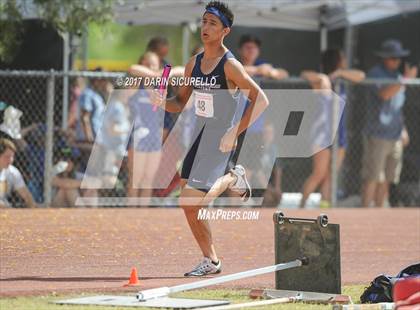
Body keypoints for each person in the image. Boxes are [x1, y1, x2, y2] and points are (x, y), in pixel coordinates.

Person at [152, 1, 269, 276]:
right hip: (199, 138)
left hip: (221, 140)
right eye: (204, 21)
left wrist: (234, 132)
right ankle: (212, 260)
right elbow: (180, 102)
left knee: (191, 201)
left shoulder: (231, 66)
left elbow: (261, 100)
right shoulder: (194, 64)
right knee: (189, 207)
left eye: (212, 23)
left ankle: (232, 177)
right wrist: (161, 100)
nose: (205, 27)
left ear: (225, 31)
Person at [299, 48, 365, 208]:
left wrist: (340, 74)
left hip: (339, 135)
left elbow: (361, 76)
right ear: (336, 60)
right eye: (342, 58)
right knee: (319, 174)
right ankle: (301, 205)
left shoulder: (341, 79)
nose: (345, 60)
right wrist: (322, 77)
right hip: (322, 134)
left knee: (331, 176)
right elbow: (303, 74)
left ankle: (324, 207)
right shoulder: (321, 81)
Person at [361, 39, 417, 208]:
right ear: (385, 58)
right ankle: (362, 216)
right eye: (393, 57)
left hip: (395, 135)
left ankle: (378, 215)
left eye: (399, 58)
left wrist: (404, 129)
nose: (397, 61)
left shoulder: (399, 77)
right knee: (373, 177)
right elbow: (384, 95)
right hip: (377, 135)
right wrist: (404, 81)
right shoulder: (375, 74)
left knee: (388, 179)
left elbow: (397, 108)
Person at [127, 52, 165, 205]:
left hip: (154, 138)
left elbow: (179, 71)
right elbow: (132, 68)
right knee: (135, 178)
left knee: (148, 179)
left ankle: (143, 214)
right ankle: (130, 212)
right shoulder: (136, 84)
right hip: (137, 137)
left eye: (153, 64)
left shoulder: (160, 87)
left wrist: (159, 75)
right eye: (147, 64)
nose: (150, 68)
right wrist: (154, 73)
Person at [0, 138, 38, 208]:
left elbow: (26, 195)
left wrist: (34, 209)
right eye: (7, 157)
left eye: (12, 157)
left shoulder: (12, 171)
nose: (11, 160)